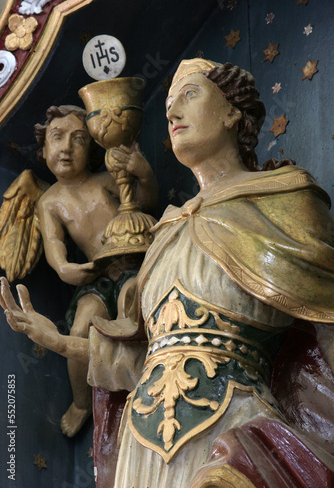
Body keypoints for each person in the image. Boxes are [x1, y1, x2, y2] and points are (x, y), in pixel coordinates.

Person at [2, 59, 334, 487]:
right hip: (142, 452)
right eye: (169, 103)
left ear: (233, 112)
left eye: (189, 96)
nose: (173, 112)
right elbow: (141, 361)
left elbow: (327, 327)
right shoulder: (165, 232)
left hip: (232, 438)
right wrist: (54, 339)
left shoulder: (284, 199)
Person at [33, 104, 158, 438]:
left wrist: (142, 173)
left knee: (131, 313)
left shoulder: (105, 181)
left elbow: (145, 203)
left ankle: (148, 382)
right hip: (96, 277)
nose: (66, 147)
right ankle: (81, 402)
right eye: (56, 138)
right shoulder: (49, 202)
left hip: (133, 266)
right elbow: (55, 245)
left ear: (91, 149)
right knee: (79, 328)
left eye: (78, 139)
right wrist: (67, 269)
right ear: (43, 148)